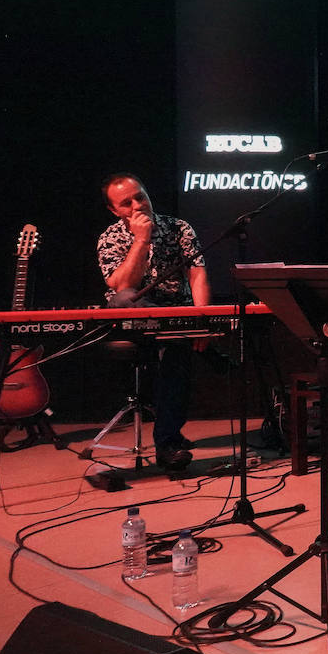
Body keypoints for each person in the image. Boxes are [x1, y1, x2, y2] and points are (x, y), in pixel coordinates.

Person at [96, 174, 211, 471]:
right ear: (114, 211)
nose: (137, 205)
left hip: (176, 317)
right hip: (133, 317)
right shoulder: (109, 237)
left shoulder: (179, 228)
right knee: (125, 299)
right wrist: (141, 240)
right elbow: (121, 286)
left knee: (175, 348)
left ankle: (168, 444)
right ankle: (180, 334)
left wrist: (202, 321)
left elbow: (197, 276)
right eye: (127, 203)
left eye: (141, 196)